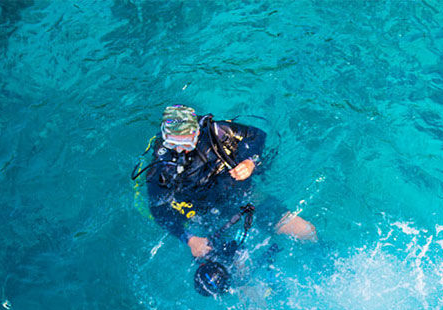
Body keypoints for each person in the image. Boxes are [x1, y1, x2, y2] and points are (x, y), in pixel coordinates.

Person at [134, 104, 316, 262]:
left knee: (306, 230)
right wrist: (189, 239)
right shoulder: (161, 168)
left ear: (197, 131)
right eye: (174, 143)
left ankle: (322, 253)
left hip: (245, 195)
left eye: (187, 142)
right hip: (208, 216)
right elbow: (158, 209)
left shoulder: (216, 132)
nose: (181, 150)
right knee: (240, 274)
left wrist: (249, 162)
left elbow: (257, 135)